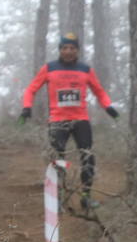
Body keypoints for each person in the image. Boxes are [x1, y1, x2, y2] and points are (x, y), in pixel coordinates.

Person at [20, 32, 118, 210]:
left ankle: (86, 197)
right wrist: (27, 107)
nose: (68, 51)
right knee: (57, 160)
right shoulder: (49, 68)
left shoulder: (85, 70)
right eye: (64, 48)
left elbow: (100, 91)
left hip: (81, 120)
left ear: (78, 50)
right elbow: (31, 89)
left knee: (88, 158)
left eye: (72, 48)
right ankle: (58, 199)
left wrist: (108, 107)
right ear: (60, 50)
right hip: (57, 121)